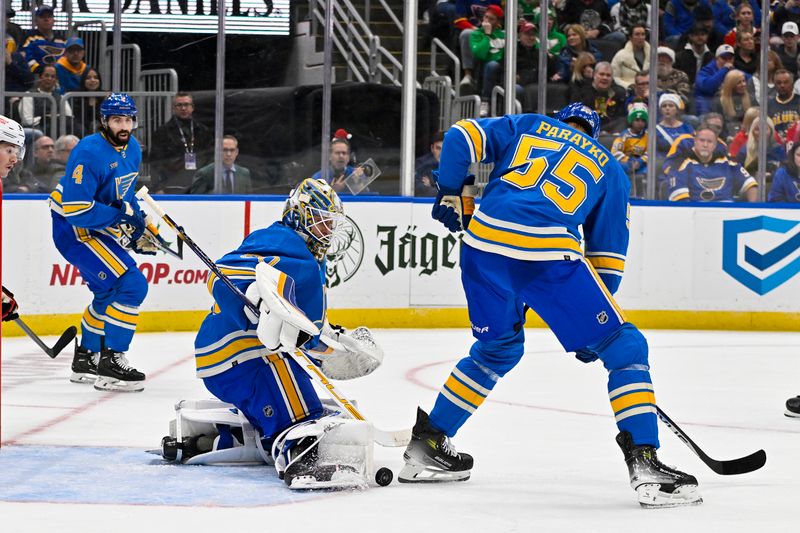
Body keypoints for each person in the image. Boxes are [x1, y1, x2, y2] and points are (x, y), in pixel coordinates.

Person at [399, 103, 702, 508]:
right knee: (626, 347)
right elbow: (607, 261)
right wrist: (594, 333)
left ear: (558, 121)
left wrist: (452, 190)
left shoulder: (528, 125)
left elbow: (458, 137)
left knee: (497, 349)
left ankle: (428, 445)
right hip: (545, 253)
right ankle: (645, 462)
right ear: (593, 134)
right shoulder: (609, 167)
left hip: (482, 245)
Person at [182, 177, 383, 489]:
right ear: (300, 216)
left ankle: (232, 437)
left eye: (331, 223)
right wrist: (255, 300)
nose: (327, 231)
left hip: (247, 358)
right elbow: (223, 274)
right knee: (301, 410)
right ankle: (300, 457)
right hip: (239, 356)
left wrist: (336, 350)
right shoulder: (283, 241)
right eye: (320, 222)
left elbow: (304, 330)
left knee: (309, 402)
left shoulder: (311, 258)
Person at [48, 93, 153, 392]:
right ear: (104, 121)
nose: (124, 126)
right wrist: (120, 217)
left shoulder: (132, 147)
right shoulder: (88, 152)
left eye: (128, 120)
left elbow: (124, 192)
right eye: (117, 120)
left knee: (109, 291)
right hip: (73, 229)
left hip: (93, 223)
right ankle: (112, 362)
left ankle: (86, 358)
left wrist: (136, 218)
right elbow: (78, 210)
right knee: (132, 285)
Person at [667, 126, 758, 202]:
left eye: (709, 142)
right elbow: (681, 202)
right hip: (696, 213)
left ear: (715, 145)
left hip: (727, 212)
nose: (705, 145)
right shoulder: (680, 163)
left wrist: (753, 209)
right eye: (702, 140)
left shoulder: (727, 162)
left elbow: (750, 185)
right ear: (695, 141)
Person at [149, 92, 213, 193]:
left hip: (199, 184)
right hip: (172, 185)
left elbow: (210, 159)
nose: (183, 108)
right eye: (179, 105)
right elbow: (155, 162)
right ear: (173, 108)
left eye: (186, 104)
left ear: (192, 107)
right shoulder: (162, 132)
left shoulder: (202, 131)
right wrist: (158, 187)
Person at [575, 61, 627, 133]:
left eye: (608, 75)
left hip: (612, 130)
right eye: (601, 74)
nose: (605, 78)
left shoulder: (619, 93)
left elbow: (621, 116)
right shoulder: (582, 92)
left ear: (612, 78)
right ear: (594, 75)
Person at [612, 104, 648, 197]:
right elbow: (615, 152)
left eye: (642, 120)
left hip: (641, 164)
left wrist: (640, 161)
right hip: (627, 163)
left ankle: (644, 196)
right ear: (631, 121)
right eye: (637, 120)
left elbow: (650, 152)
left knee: (649, 170)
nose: (640, 123)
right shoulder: (623, 136)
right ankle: (622, 195)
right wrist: (629, 161)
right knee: (618, 168)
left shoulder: (648, 136)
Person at [21, 6, 65, 74]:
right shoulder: (29, 38)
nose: (46, 19)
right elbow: (25, 57)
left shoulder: (62, 40)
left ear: (54, 21)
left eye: (49, 17)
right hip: (36, 77)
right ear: (36, 21)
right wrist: (41, 71)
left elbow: (67, 59)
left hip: (59, 77)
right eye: (42, 17)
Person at [695, 44, 735, 116]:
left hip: (726, 108)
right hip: (707, 109)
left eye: (730, 58)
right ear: (716, 58)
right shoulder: (705, 71)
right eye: (724, 58)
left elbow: (745, 77)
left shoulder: (733, 70)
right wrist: (724, 70)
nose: (728, 62)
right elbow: (708, 87)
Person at [610, 25, 650, 90]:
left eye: (643, 34)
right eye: (637, 34)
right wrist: (628, 85)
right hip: (628, 90)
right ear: (630, 37)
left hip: (649, 89)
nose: (641, 37)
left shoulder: (653, 54)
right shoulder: (620, 55)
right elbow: (614, 77)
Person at [414, 130, 444, 196]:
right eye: (438, 148)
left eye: (445, 149)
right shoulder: (421, 164)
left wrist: (432, 185)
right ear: (432, 148)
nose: (442, 153)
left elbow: (468, 191)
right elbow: (419, 189)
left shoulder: (457, 165)